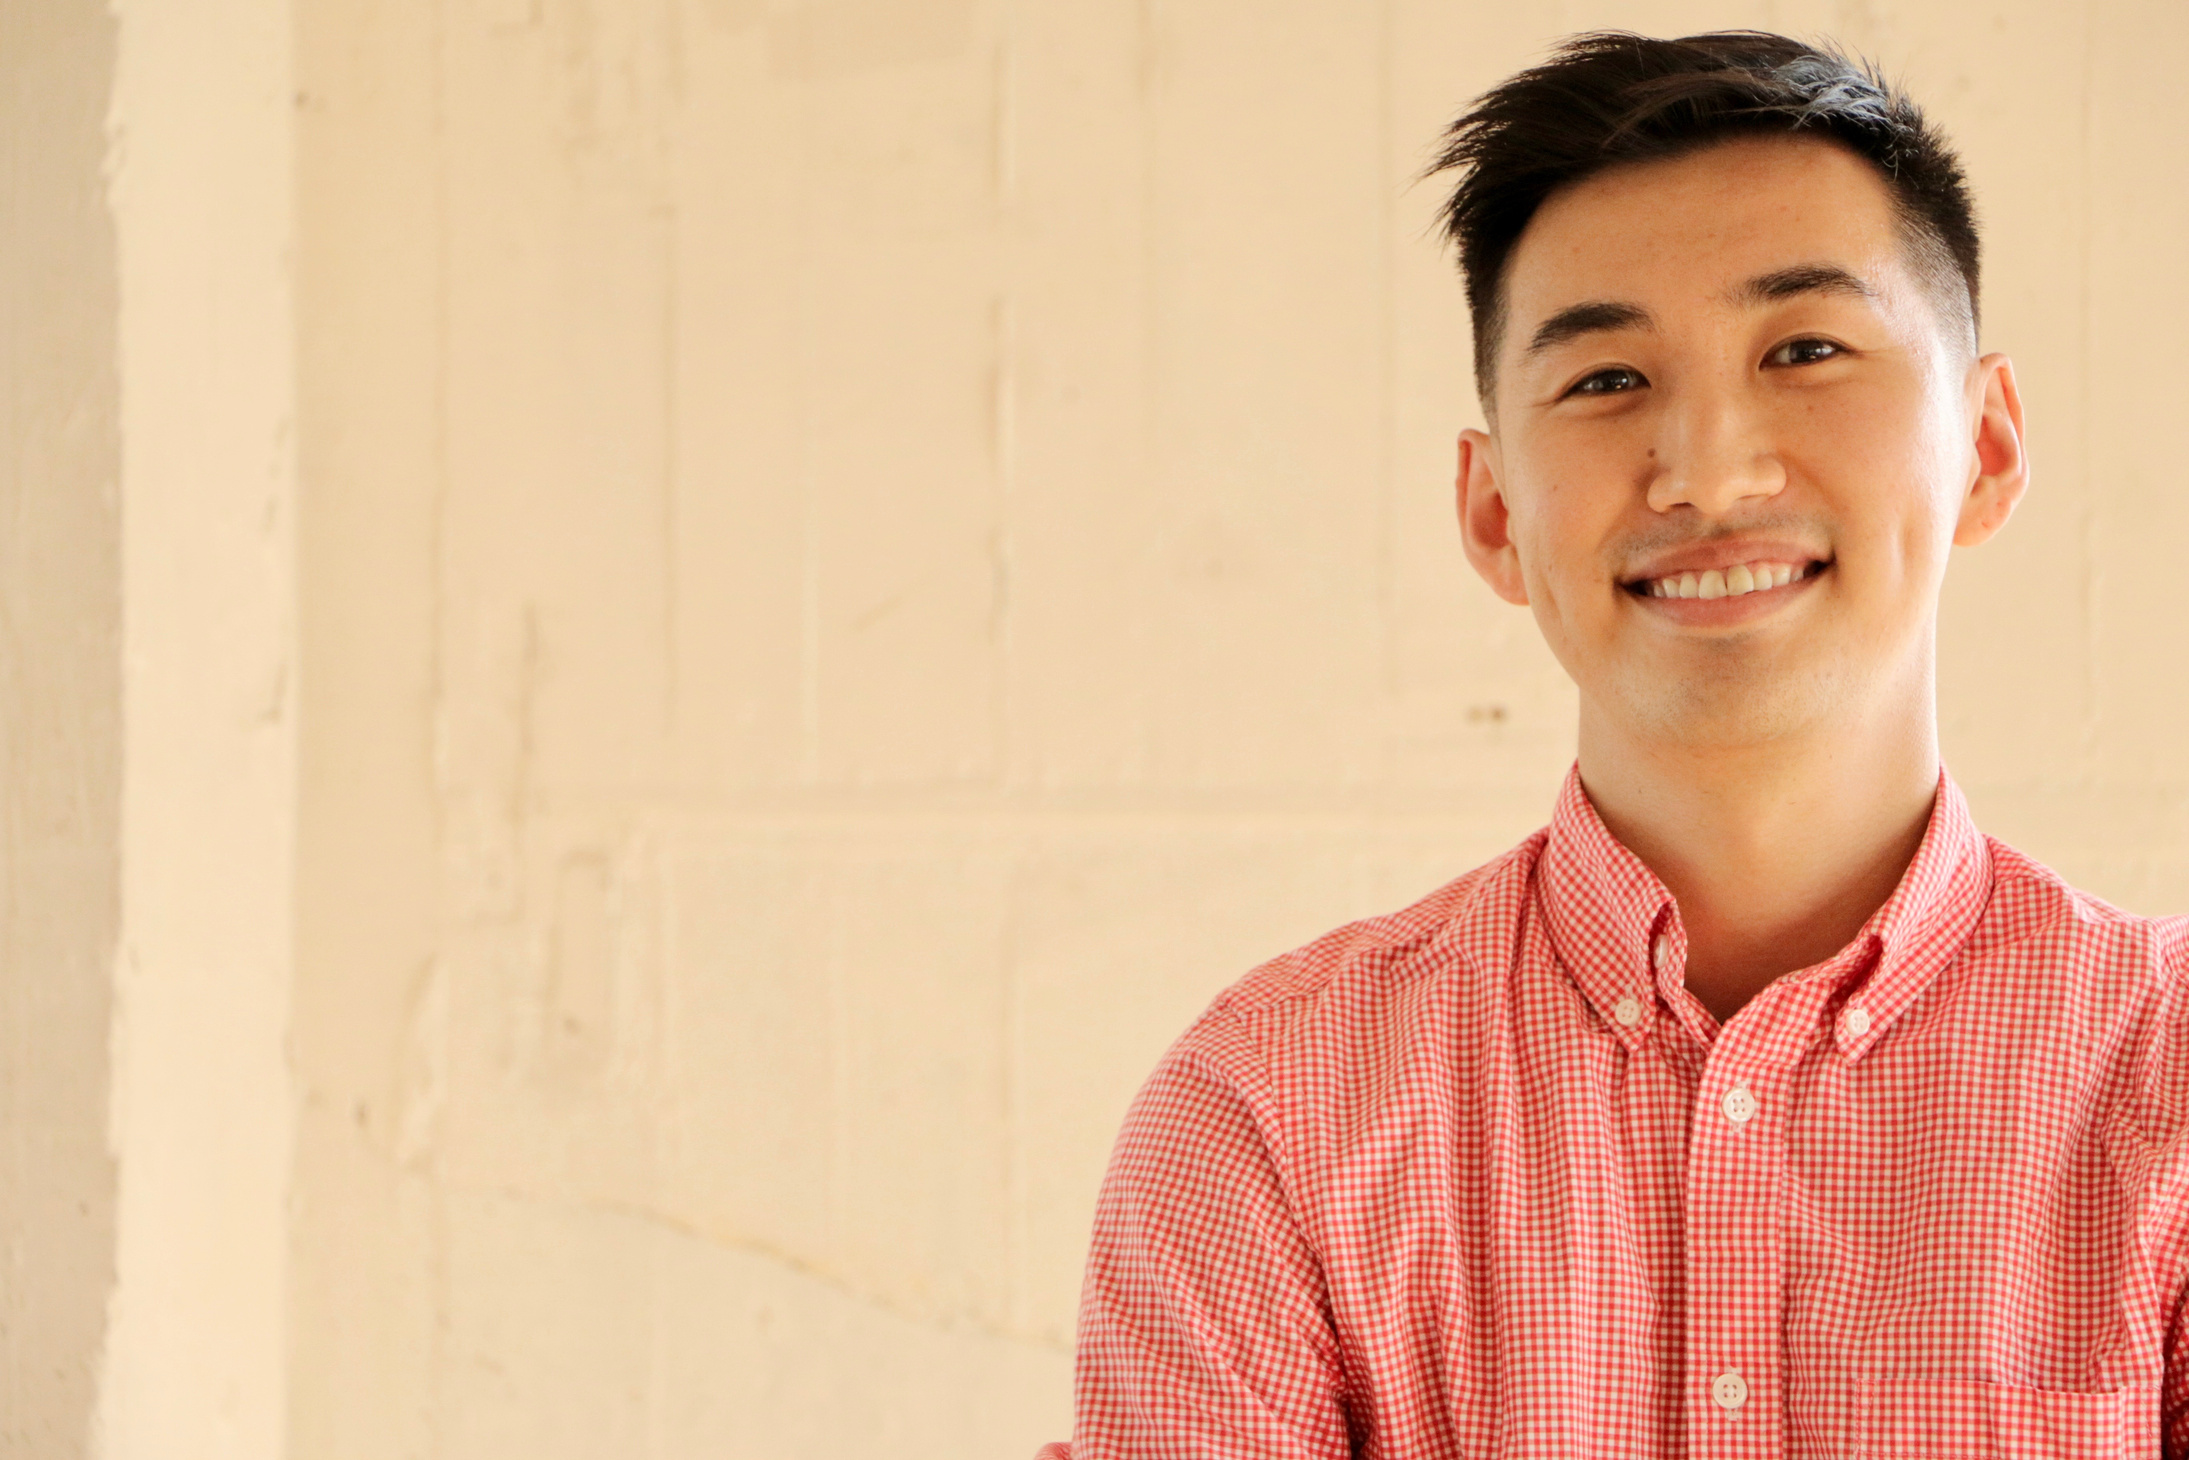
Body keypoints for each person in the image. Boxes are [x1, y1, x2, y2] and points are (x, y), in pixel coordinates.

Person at [1033, 29, 2189, 1459]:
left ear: (1987, 446)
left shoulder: (2167, 1085)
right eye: (1603, 381)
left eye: (1807, 349)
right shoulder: (1271, 1113)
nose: (1707, 469)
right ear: (1490, 512)